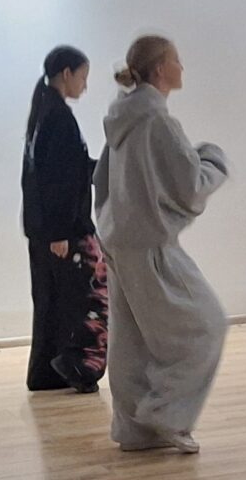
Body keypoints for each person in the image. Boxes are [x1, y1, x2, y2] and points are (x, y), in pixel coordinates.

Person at [94, 34, 230, 454]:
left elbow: (100, 181)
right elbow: (189, 186)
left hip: (119, 240)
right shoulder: (158, 122)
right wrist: (213, 159)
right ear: (159, 69)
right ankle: (166, 414)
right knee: (207, 325)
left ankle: (135, 431)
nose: (182, 67)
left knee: (131, 342)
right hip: (150, 243)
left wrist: (110, 225)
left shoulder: (121, 120)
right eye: (176, 60)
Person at [21, 45, 108, 394]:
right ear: (67, 74)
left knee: (52, 301)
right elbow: (57, 179)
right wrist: (59, 232)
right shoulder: (57, 116)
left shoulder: (45, 111)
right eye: (83, 77)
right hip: (63, 231)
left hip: (47, 230)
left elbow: (67, 170)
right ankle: (77, 368)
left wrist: (106, 169)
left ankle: (48, 373)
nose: (85, 86)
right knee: (84, 299)